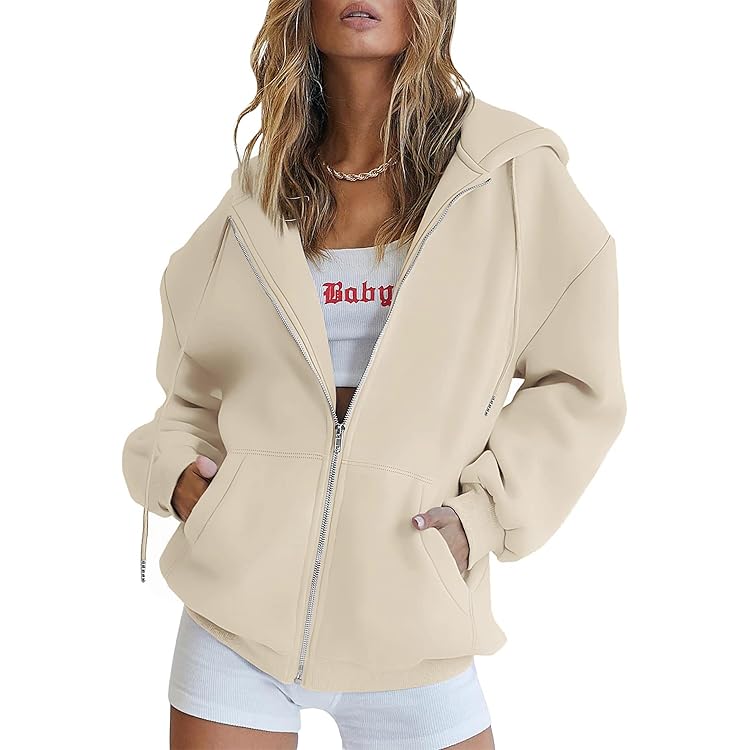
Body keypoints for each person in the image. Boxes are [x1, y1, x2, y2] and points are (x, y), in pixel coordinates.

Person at [121, 1, 627, 747]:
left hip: (413, 618)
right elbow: (191, 390)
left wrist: (481, 518)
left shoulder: (506, 175)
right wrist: (176, 476)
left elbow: (578, 383)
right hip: (237, 621)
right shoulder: (261, 196)